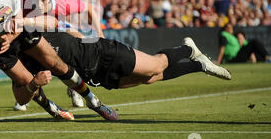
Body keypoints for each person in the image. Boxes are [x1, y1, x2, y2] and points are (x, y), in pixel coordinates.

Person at [12, 32, 231, 104]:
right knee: (150, 78)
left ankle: (187, 49)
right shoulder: (15, 59)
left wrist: (98, 42)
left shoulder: (30, 26)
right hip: (93, 74)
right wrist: (33, 84)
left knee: (157, 64)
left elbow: (70, 31)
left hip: (102, 52)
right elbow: (21, 97)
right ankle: (198, 65)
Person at [14, 0, 105, 111]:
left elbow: (89, 8)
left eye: (43, 0)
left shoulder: (63, 3)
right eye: (35, 0)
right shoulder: (24, 5)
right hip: (35, 31)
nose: (38, 4)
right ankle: (26, 93)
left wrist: (100, 33)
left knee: (80, 40)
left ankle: (75, 87)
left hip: (59, 28)